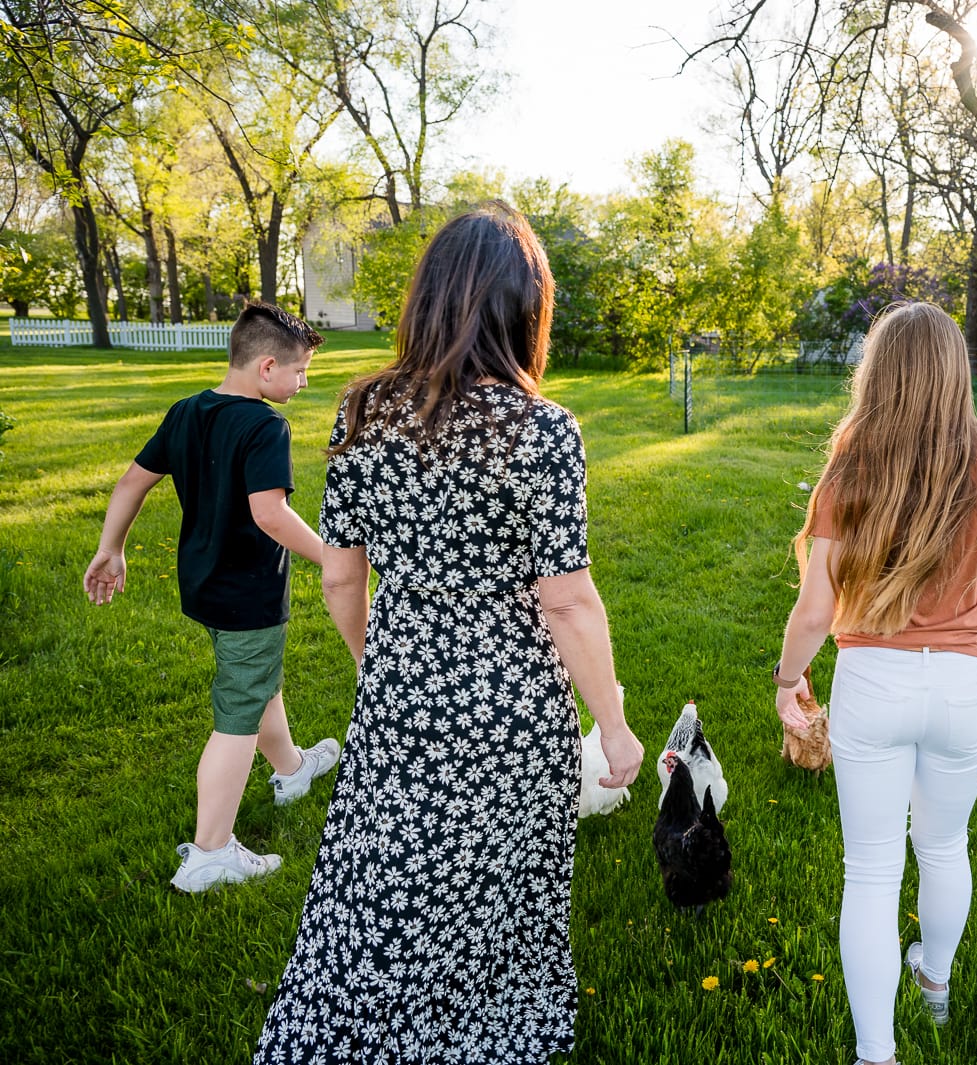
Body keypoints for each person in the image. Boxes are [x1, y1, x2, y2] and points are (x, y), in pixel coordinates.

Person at [255, 202, 645, 1063]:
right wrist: (611, 722)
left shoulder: (363, 412)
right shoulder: (542, 431)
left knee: (382, 883)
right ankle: (485, 1032)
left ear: (427, 300)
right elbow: (569, 601)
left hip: (404, 696)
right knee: (500, 890)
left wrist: (376, 662)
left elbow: (340, 573)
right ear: (523, 309)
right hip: (512, 708)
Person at [773, 302, 977, 1065]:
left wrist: (788, 679)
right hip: (962, 692)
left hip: (873, 684)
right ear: (957, 374)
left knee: (872, 869)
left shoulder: (849, 470)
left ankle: (876, 1054)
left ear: (877, 374)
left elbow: (815, 607)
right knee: (946, 844)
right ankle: (936, 980)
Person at [83, 301, 339, 893]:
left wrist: (111, 547)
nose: (304, 383)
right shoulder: (265, 426)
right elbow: (270, 514)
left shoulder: (187, 411)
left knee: (255, 682)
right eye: (300, 371)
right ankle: (210, 853)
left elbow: (132, 481)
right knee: (236, 717)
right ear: (268, 367)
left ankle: (292, 770)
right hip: (247, 596)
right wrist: (336, 557)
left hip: (204, 588)